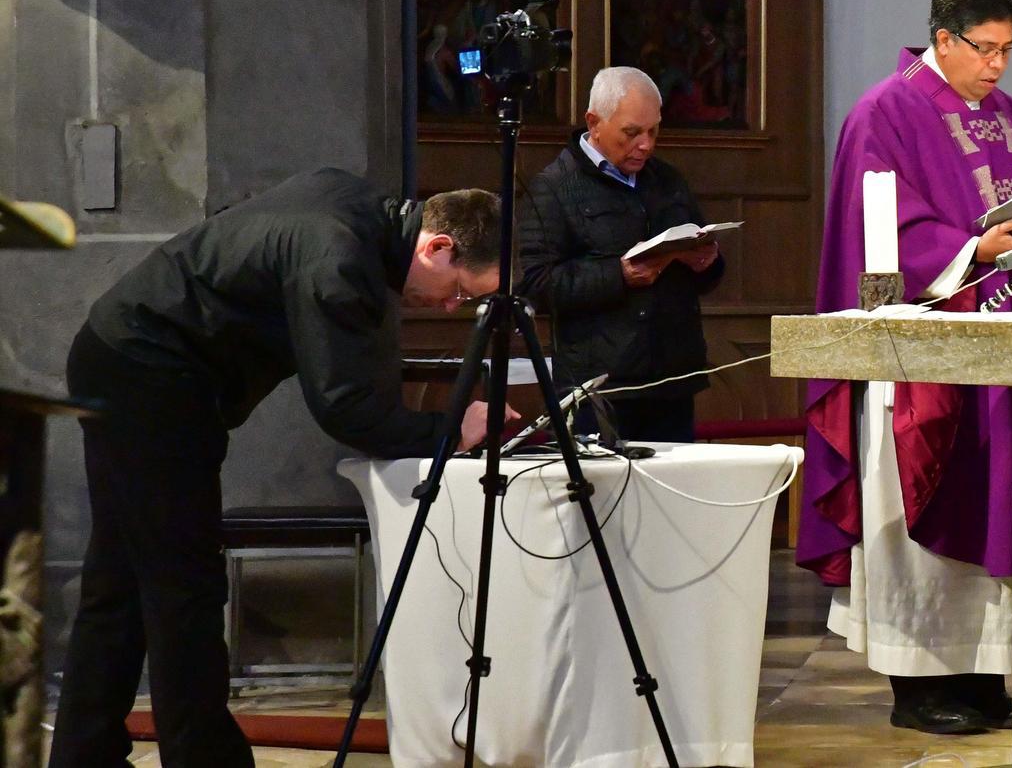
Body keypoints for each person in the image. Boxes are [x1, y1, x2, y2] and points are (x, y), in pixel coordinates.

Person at [49, 169, 516, 768]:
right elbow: (345, 408)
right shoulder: (339, 255)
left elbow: (349, 366)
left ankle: (82, 754)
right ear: (438, 246)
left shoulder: (356, 210)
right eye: (462, 290)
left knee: (119, 581)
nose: (456, 306)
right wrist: (451, 431)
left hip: (116, 355)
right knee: (183, 587)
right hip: (150, 375)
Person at [799, 0, 1012, 734]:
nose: (997, 66)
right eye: (983, 49)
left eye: (1007, 49)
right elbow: (879, 233)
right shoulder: (883, 113)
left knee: (995, 507)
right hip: (919, 355)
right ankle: (917, 681)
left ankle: (985, 672)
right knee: (916, 500)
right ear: (944, 39)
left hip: (1000, 348)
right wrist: (970, 249)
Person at [518, 66, 723, 442]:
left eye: (653, 131)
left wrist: (707, 262)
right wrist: (619, 275)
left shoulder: (667, 179)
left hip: (673, 381)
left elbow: (704, 268)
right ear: (594, 123)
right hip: (599, 390)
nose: (645, 144)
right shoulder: (553, 188)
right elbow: (535, 284)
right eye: (632, 133)